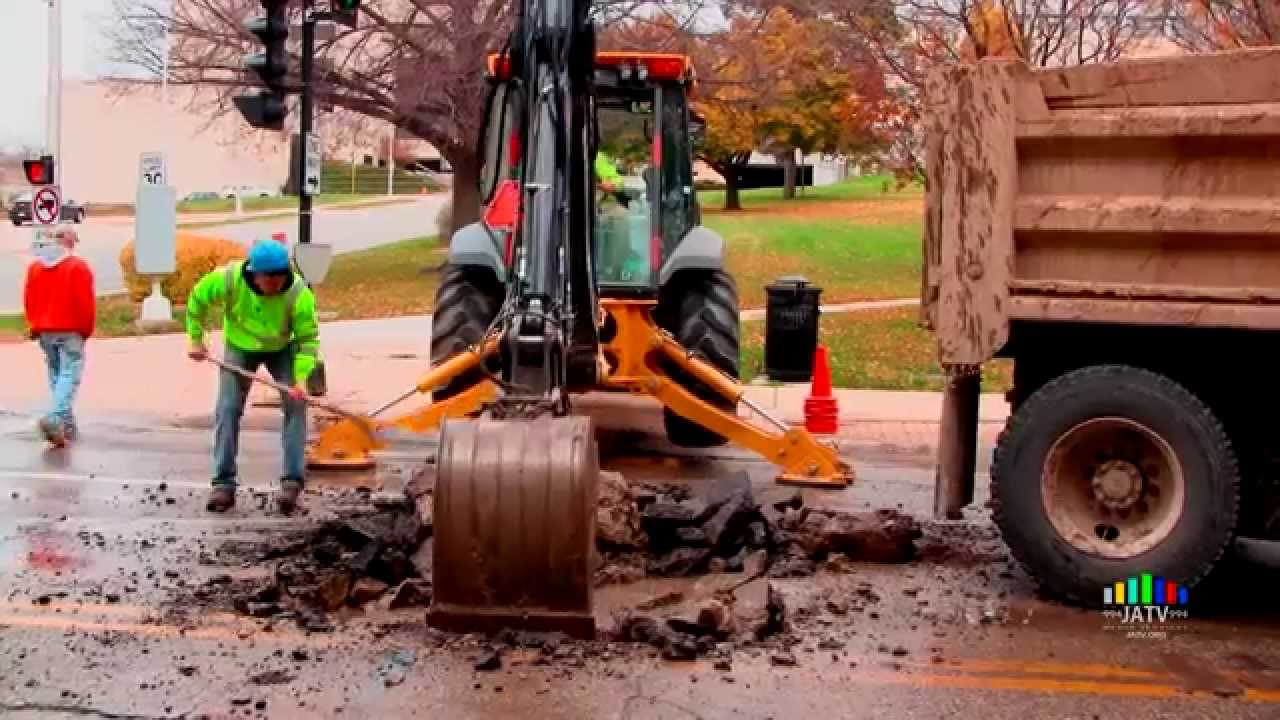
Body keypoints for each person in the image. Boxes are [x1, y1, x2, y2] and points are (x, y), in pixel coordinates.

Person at [186, 239, 320, 514]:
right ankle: (223, 484)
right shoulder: (228, 280)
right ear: (254, 273)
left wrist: (301, 378)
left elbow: (307, 341)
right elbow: (196, 300)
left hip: (282, 348)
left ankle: (292, 483)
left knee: (296, 406)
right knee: (227, 409)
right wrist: (196, 339)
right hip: (239, 346)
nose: (272, 286)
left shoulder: (298, 294)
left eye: (278, 279)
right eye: (266, 280)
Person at [23, 227, 95, 447]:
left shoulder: (35, 268)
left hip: (45, 330)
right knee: (69, 374)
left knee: (56, 374)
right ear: (67, 242)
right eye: (73, 240)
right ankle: (55, 418)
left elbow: (29, 300)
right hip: (70, 329)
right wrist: (86, 330)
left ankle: (65, 423)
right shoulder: (78, 267)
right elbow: (85, 303)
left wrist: (34, 325)